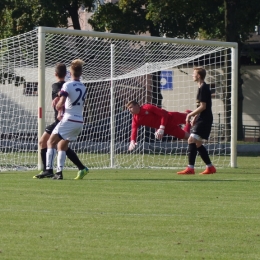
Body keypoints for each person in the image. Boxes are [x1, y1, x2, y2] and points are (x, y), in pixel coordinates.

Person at [34, 59, 89, 180]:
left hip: (68, 119)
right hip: (79, 121)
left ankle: (48, 170)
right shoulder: (83, 86)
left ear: (71, 72)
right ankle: (59, 173)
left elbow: (61, 103)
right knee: (62, 147)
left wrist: (57, 104)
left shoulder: (67, 85)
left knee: (50, 142)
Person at [177, 67, 216, 175]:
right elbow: (201, 106)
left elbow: (203, 106)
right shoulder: (201, 87)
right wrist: (195, 117)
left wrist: (190, 114)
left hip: (205, 119)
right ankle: (210, 167)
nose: (192, 75)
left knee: (191, 140)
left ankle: (190, 168)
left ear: (199, 76)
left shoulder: (203, 87)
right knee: (198, 143)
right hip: (202, 118)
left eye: (194, 74)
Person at [126, 101, 191, 151]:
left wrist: (161, 127)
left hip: (171, 118)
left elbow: (164, 114)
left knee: (194, 119)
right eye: (128, 108)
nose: (129, 110)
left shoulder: (147, 107)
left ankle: (188, 114)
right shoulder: (135, 118)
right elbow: (134, 129)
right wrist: (132, 141)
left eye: (131, 107)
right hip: (168, 128)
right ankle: (188, 123)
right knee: (188, 137)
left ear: (137, 105)